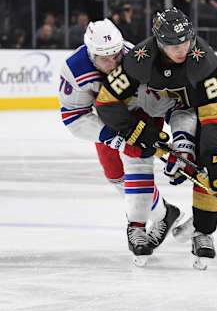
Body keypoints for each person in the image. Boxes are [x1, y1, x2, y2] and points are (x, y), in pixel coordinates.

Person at [95, 7, 217, 268]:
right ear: (157, 42)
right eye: (171, 43)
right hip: (177, 110)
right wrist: (137, 130)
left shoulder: (205, 60)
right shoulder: (140, 59)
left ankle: (204, 232)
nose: (181, 49)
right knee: (203, 166)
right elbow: (107, 102)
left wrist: (216, 158)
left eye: (185, 40)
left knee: (211, 165)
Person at [58, 18, 181, 265]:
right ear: (91, 53)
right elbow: (74, 118)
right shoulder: (74, 69)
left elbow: (162, 98)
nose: (113, 63)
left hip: (140, 113)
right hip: (109, 119)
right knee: (116, 177)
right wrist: (113, 138)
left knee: (136, 162)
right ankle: (165, 214)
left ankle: (138, 225)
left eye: (116, 55)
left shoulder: (137, 59)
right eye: (105, 58)